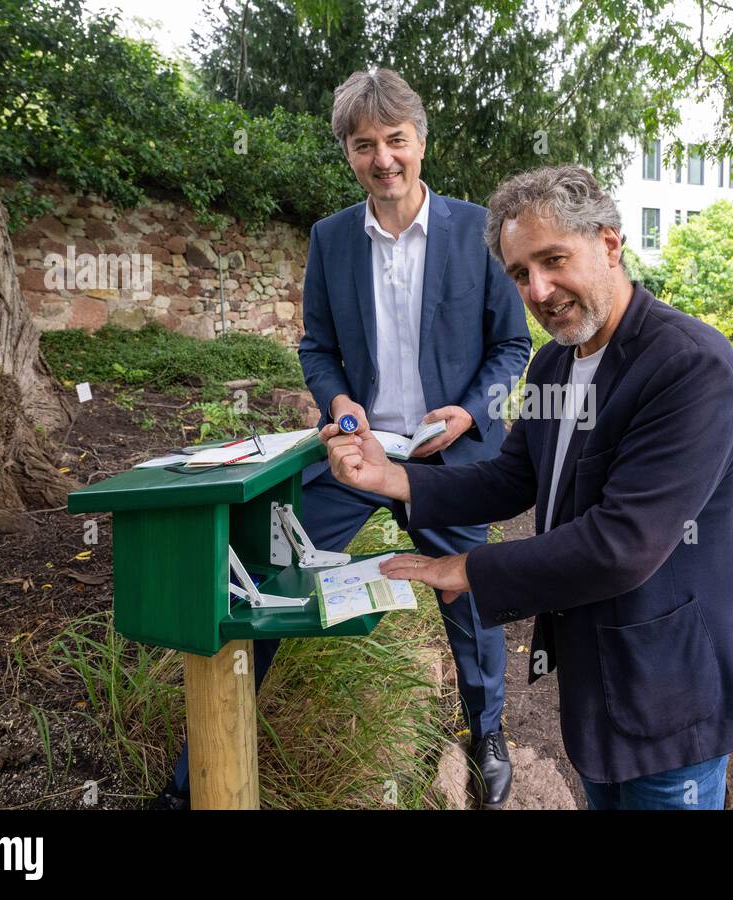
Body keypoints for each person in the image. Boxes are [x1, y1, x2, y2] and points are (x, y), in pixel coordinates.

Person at [322, 165, 733, 810]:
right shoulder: (556, 360)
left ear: (610, 245)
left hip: (673, 691)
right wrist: (391, 477)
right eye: (520, 273)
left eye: (554, 260)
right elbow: (515, 476)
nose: (539, 289)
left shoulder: (688, 365)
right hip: (596, 678)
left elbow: (622, 544)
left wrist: (466, 567)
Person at [155, 69, 530, 810]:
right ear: (349, 154)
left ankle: (486, 730)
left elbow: (512, 347)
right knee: (259, 578)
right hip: (357, 452)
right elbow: (316, 346)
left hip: (450, 456)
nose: (384, 159)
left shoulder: (477, 229)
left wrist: (469, 414)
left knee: (471, 596)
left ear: (420, 141)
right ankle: (198, 767)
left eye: (396, 140)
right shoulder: (330, 239)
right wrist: (339, 403)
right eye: (365, 146)